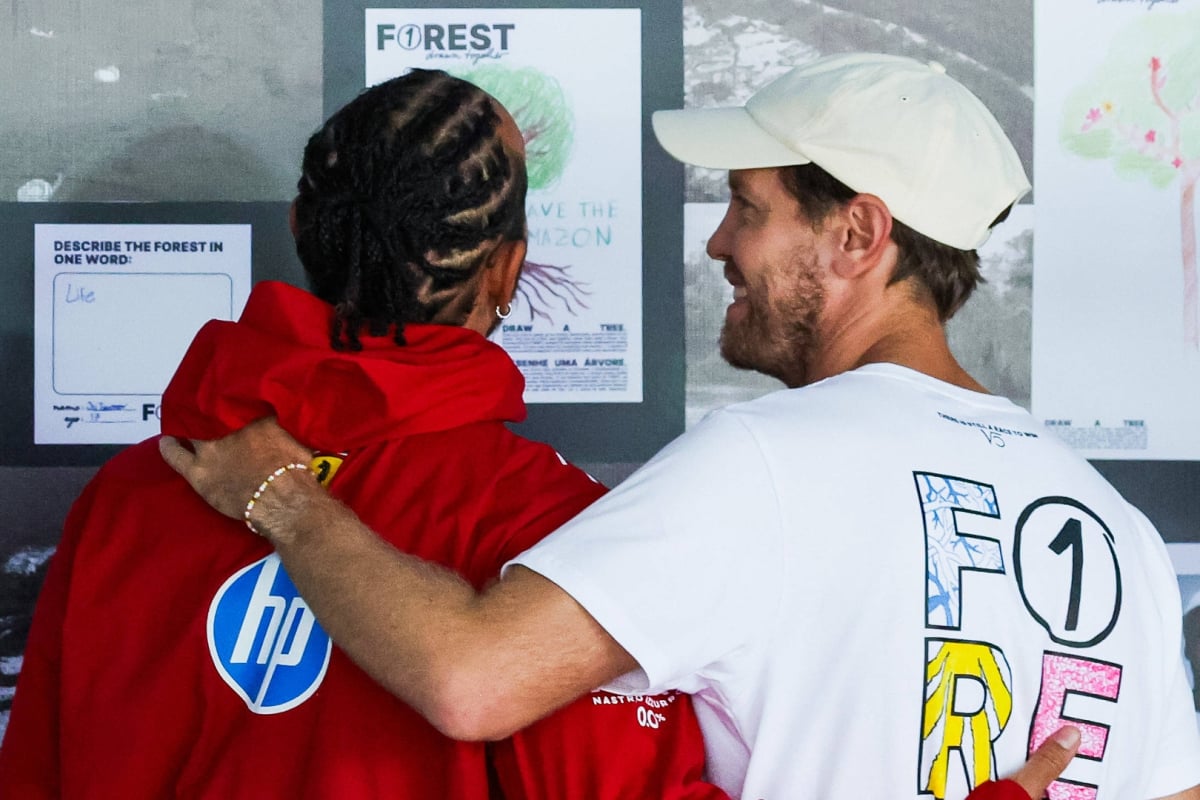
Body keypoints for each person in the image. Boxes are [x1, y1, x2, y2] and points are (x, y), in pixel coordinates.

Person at [157, 54, 1200, 798]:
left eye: (748, 207)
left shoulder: (765, 467)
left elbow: (472, 677)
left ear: (858, 233)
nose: (716, 240)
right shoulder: (1121, 535)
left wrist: (281, 495)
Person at [0, 69, 728, 799]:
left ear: (299, 230)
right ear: (508, 272)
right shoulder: (550, 526)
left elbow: (35, 772)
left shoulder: (131, 495)